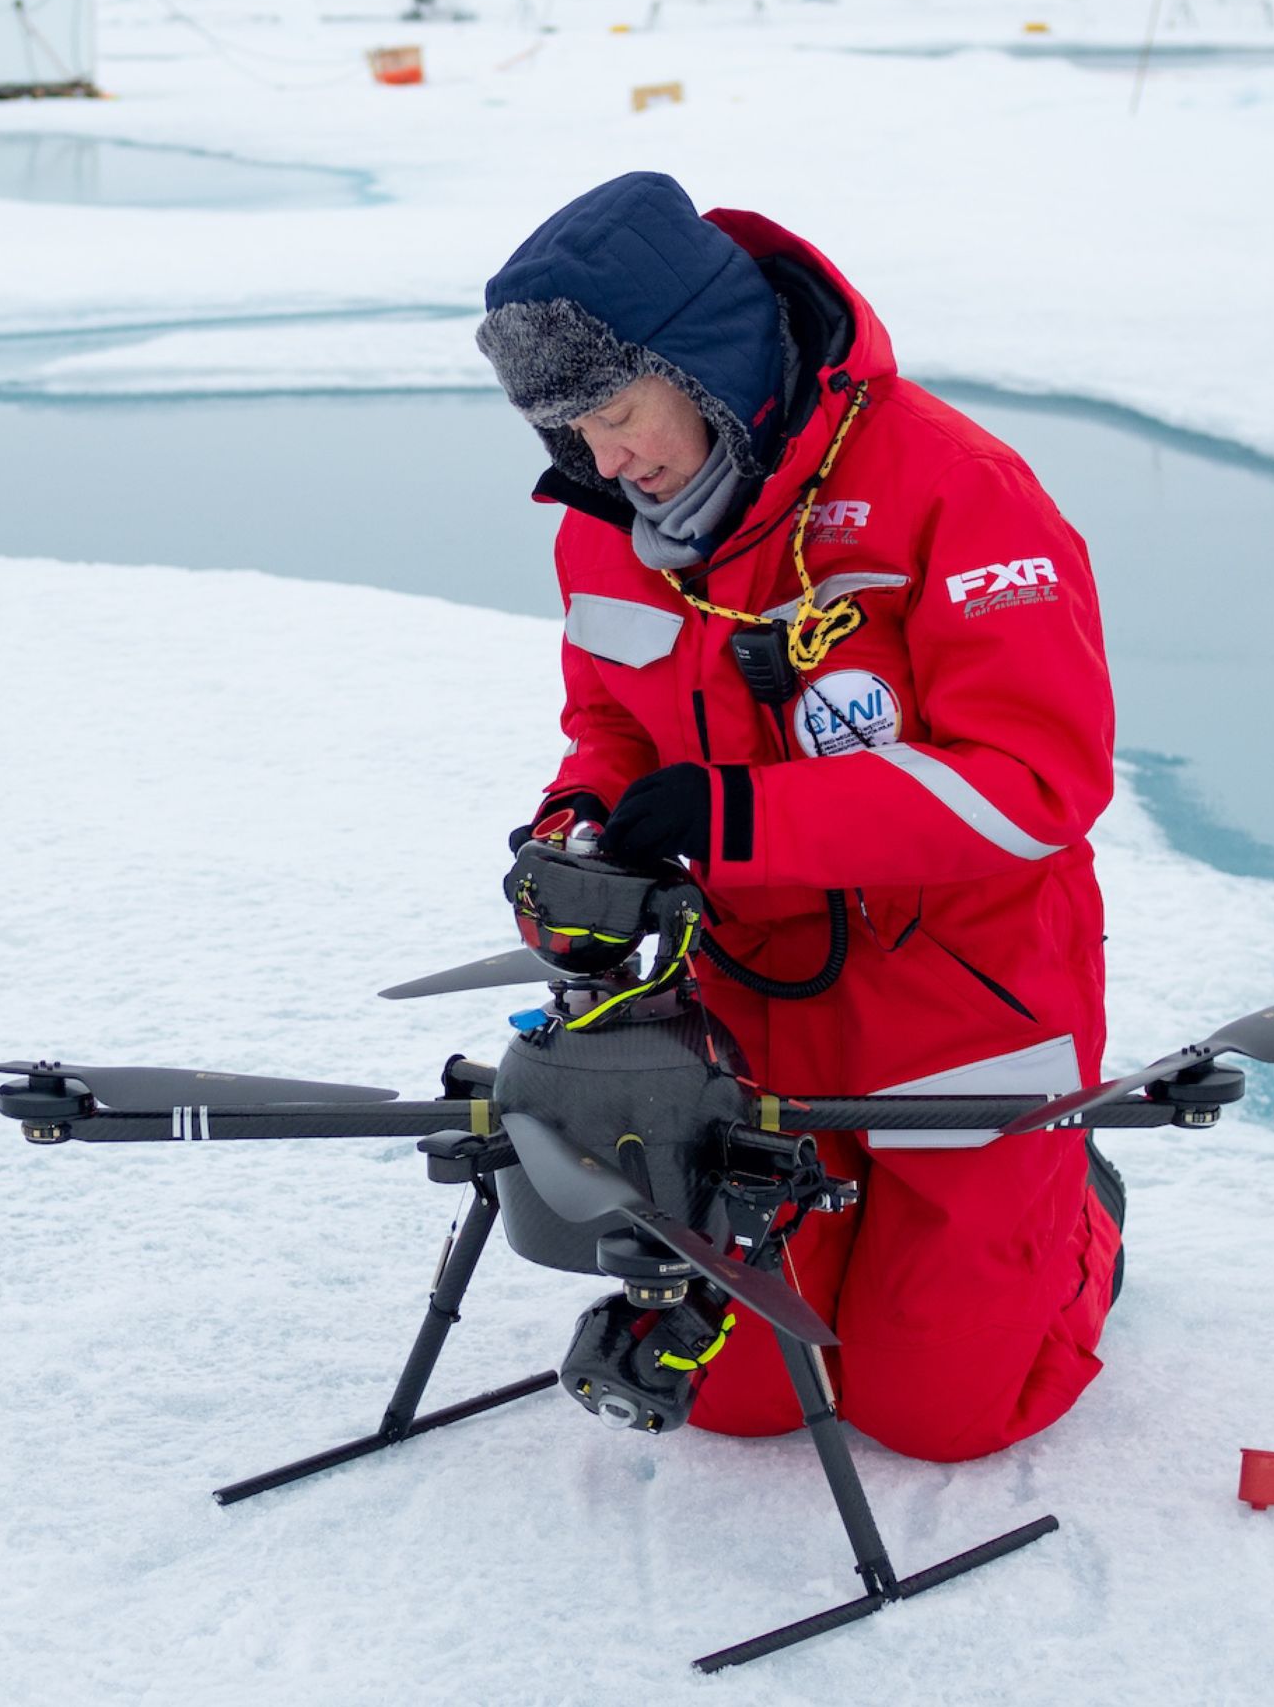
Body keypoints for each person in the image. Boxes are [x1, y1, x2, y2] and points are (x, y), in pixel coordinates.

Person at [474, 171, 1126, 1461]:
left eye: (613, 413)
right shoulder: (609, 526)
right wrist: (577, 831)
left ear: (701, 363)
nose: (602, 462)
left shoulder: (958, 488)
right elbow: (609, 729)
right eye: (569, 431)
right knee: (745, 1395)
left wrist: (730, 818)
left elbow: (1039, 783)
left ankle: (1081, 1211)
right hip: (750, 1012)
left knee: (946, 1415)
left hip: (965, 995)